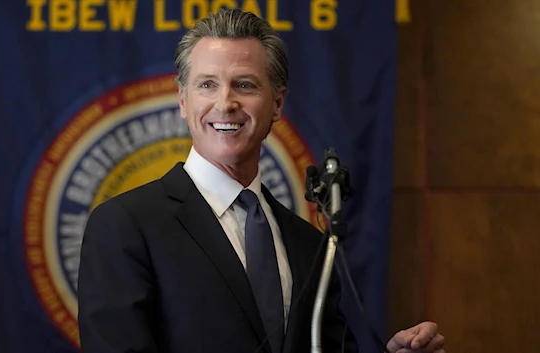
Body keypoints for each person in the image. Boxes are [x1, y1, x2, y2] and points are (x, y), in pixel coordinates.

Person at [77, 8, 446, 353]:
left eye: (245, 85)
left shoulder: (309, 245)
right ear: (183, 101)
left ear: (277, 103)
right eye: (207, 85)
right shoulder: (124, 226)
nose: (225, 103)